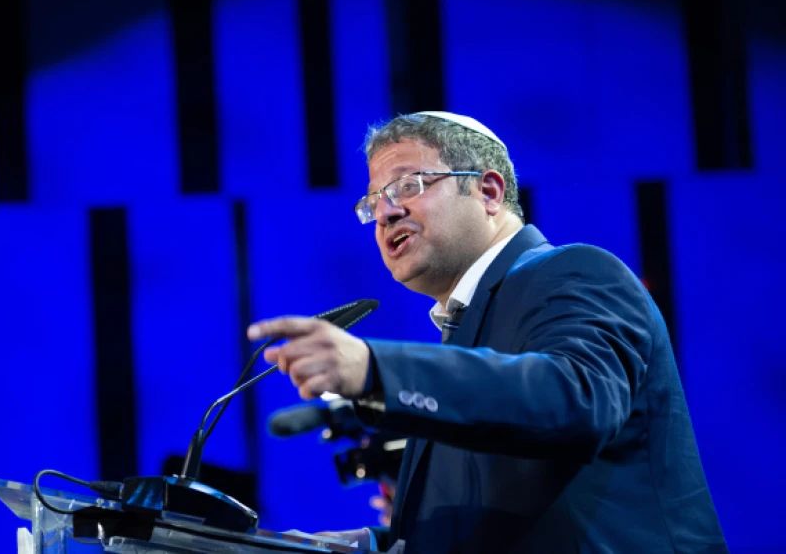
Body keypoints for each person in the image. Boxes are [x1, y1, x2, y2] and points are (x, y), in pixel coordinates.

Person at [247, 112, 727, 553]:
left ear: (489, 192)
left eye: (408, 185)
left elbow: (578, 399)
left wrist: (376, 370)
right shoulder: (464, 335)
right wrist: (370, 547)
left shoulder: (575, 272)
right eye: (374, 202)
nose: (386, 212)